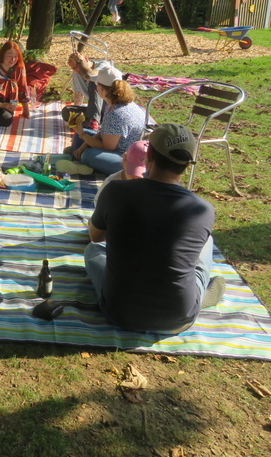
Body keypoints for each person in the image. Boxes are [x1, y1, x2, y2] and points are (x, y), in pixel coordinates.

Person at [84, 123, 226, 334]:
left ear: (148, 155)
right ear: (188, 163)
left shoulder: (115, 191)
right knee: (207, 243)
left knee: (91, 251)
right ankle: (199, 297)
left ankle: (198, 296)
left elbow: (95, 237)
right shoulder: (203, 210)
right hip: (178, 318)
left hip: (119, 313)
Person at [67, 66, 146, 175]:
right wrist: (84, 143)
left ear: (101, 88)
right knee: (79, 139)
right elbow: (105, 132)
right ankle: (79, 157)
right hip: (116, 145)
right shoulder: (113, 104)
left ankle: (84, 161)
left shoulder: (117, 113)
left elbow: (108, 147)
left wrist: (82, 133)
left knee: (88, 155)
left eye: (96, 85)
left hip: (124, 157)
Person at [61, 52, 113, 132]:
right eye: (74, 68)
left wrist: (81, 62)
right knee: (66, 111)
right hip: (95, 111)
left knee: (94, 82)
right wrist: (75, 115)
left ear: (86, 59)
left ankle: (93, 123)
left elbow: (91, 76)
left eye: (78, 64)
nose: (77, 70)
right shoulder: (76, 73)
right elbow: (78, 95)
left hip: (109, 109)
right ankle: (93, 122)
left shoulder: (103, 65)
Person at [92, 140, 148, 205]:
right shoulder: (111, 183)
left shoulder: (149, 184)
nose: (137, 177)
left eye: (143, 174)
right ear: (124, 160)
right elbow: (98, 204)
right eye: (134, 172)